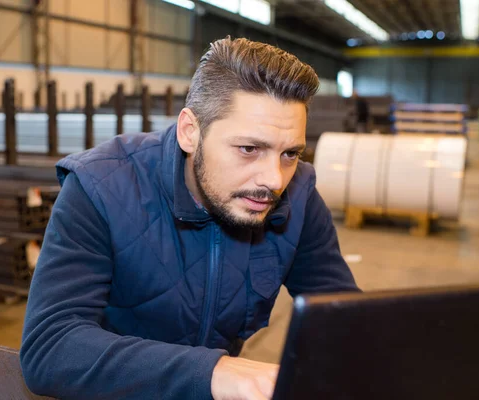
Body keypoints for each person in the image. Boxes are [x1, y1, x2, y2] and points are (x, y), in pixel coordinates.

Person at [20, 37, 359, 400]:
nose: (274, 179)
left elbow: (342, 318)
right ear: (190, 132)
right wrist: (213, 371)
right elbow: (50, 347)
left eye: (290, 153)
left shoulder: (299, 195)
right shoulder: (100, 188)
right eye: (249, 149)